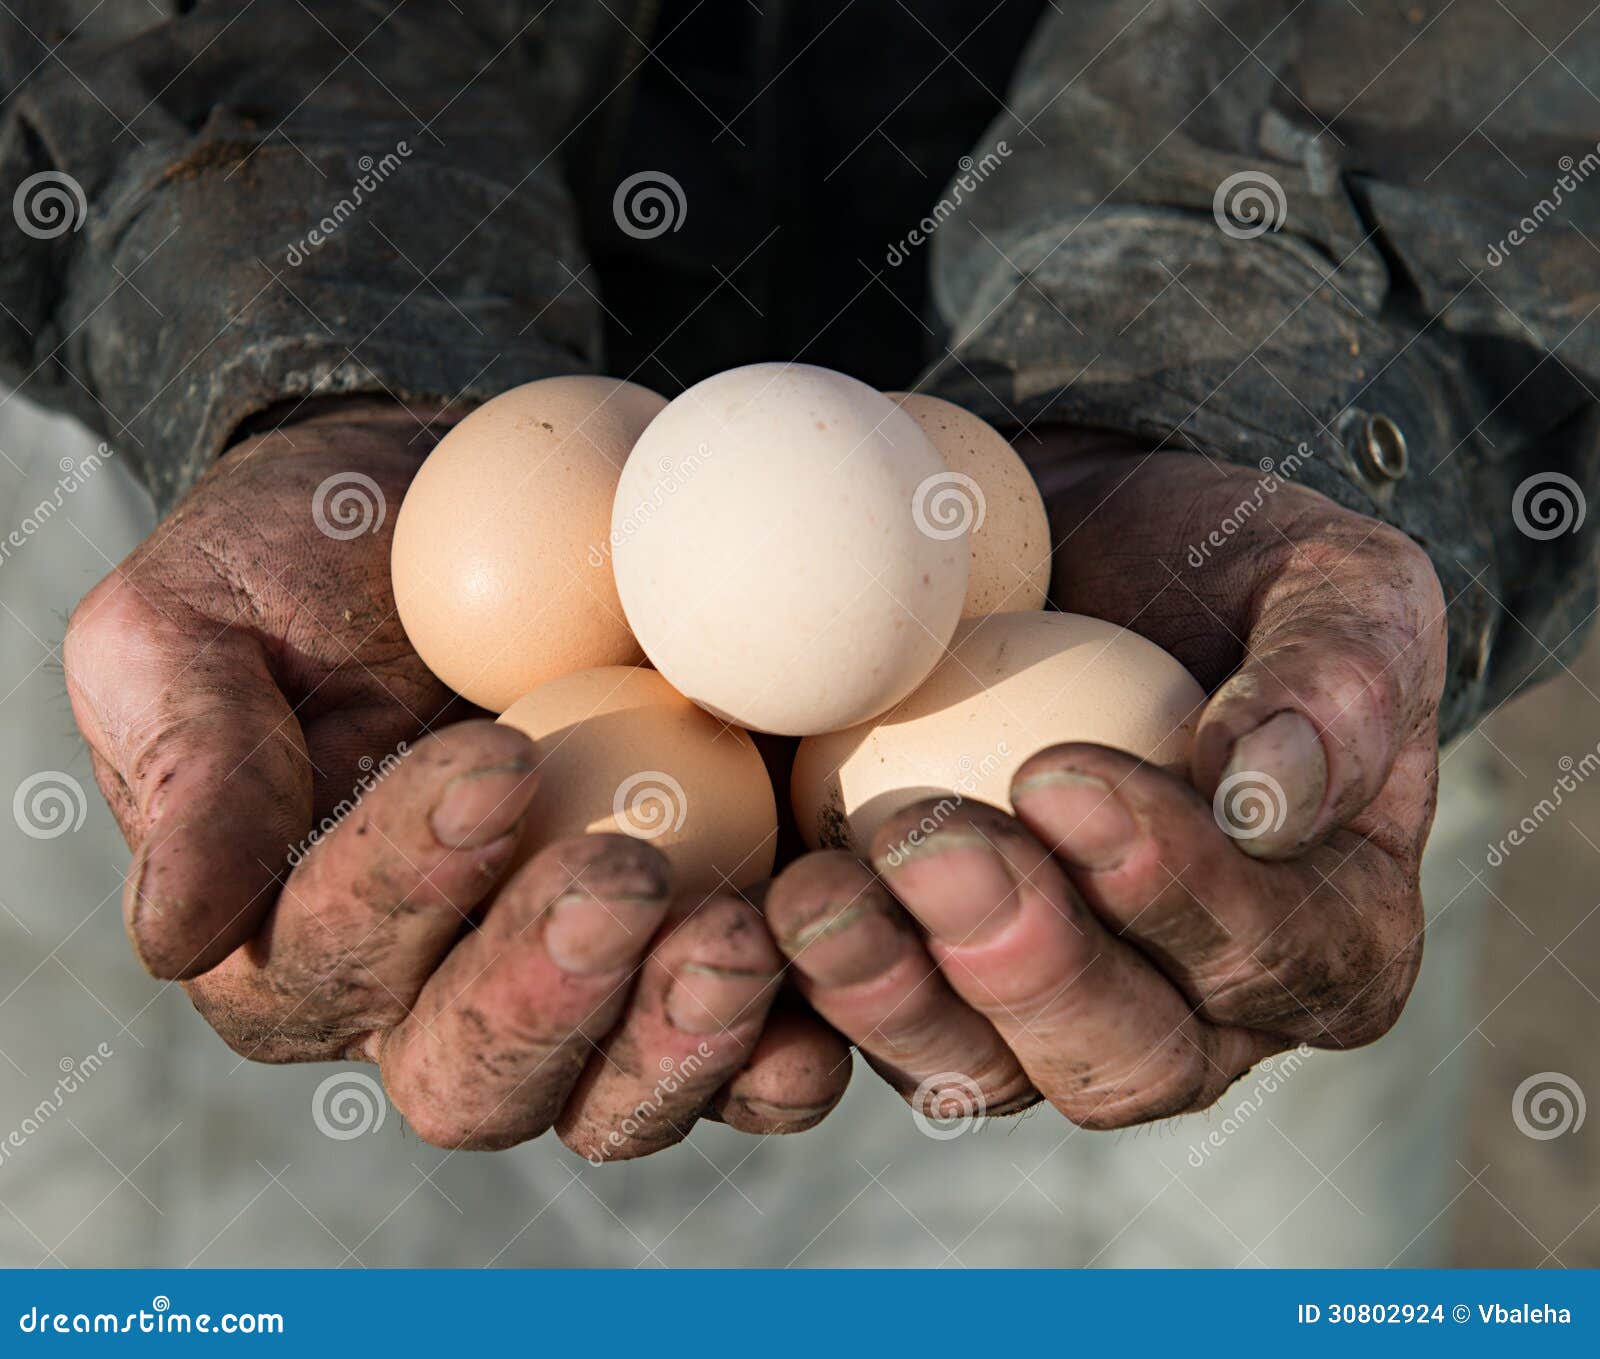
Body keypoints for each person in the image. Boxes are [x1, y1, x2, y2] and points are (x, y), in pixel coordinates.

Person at [0, 0, 1590, 1264]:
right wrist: (277, 306)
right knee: (195, 1252)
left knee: (1189, 1108)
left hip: (1201, 486)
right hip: (195, 452)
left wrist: (1289, 360)